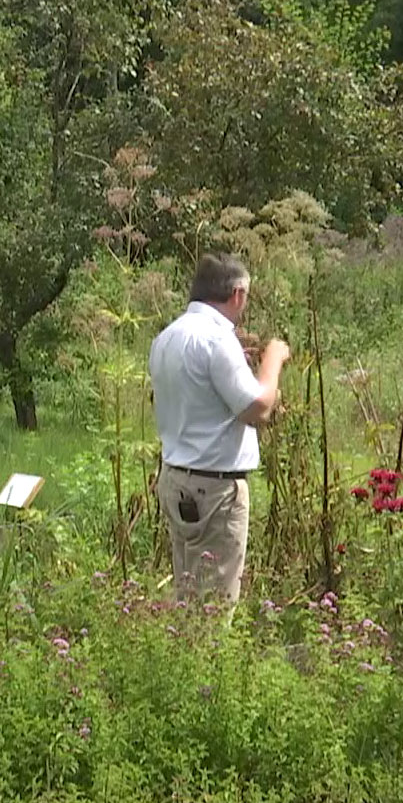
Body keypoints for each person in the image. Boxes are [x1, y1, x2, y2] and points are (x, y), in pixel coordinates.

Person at [149, 254, 290, 609]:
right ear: (238, 293)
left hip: (177, 478)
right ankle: (204, 665)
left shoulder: (167, 336)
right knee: (213, 607)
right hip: (214, 491)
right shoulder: (216, 339)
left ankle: (183, 663)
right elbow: (258, 407)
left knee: (188, 596)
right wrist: (273, 359)